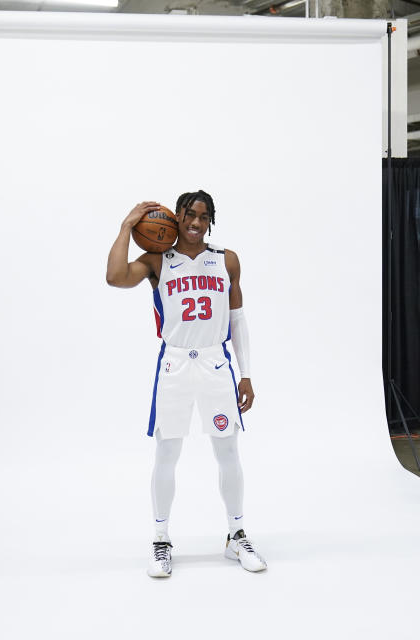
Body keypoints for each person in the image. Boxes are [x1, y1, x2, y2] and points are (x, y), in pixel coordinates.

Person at [105, 190, 266, 579]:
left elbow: (239, 318)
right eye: (189, 214)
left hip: (215, 363)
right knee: (167, 454)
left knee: (228, 452)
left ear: (211, 220)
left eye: (204, 216)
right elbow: (114, 277)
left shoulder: (226, 260)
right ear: (174, 216)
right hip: (175, 365)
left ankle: (236, 535)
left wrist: (245, 373)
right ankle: (161, 540)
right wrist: (127, 226)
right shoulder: (158, 260)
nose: (196, 222)